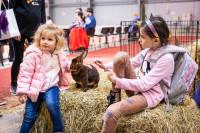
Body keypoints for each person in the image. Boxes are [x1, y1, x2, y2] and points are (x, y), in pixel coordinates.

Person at [93, 16, 174, 133]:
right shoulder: (147, 51)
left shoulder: (167, 59)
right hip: (139, 88)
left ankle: (113, 107)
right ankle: (115, 99)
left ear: (156, 40)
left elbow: (144, 85)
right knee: (122, 56)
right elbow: (130, 62)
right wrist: (105, 66)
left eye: (142, 37)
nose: (139, 40)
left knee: (112, 112)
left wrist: (116, 80)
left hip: (149, 95)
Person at [17, 24, 71, 133]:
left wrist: (77, 66)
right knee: (29, 116)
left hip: (51, 88)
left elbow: (67, 66)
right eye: (43, 38)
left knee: (52, 105)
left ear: (57, 42)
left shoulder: (59, 54)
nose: (45, 42)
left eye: (49, 39)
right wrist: (22, 91)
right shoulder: (33, 55)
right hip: (34, 89)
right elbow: (25, 73)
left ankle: (58, 130)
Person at [9, 0, 46, 95]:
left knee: (38, 58)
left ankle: (35, 82)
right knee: (18, 59)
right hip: (19, 31)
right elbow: (11, 11)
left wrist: (44, 27)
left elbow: (42, 11)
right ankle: (14, 84)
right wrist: (14, 30)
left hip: (35, 31)